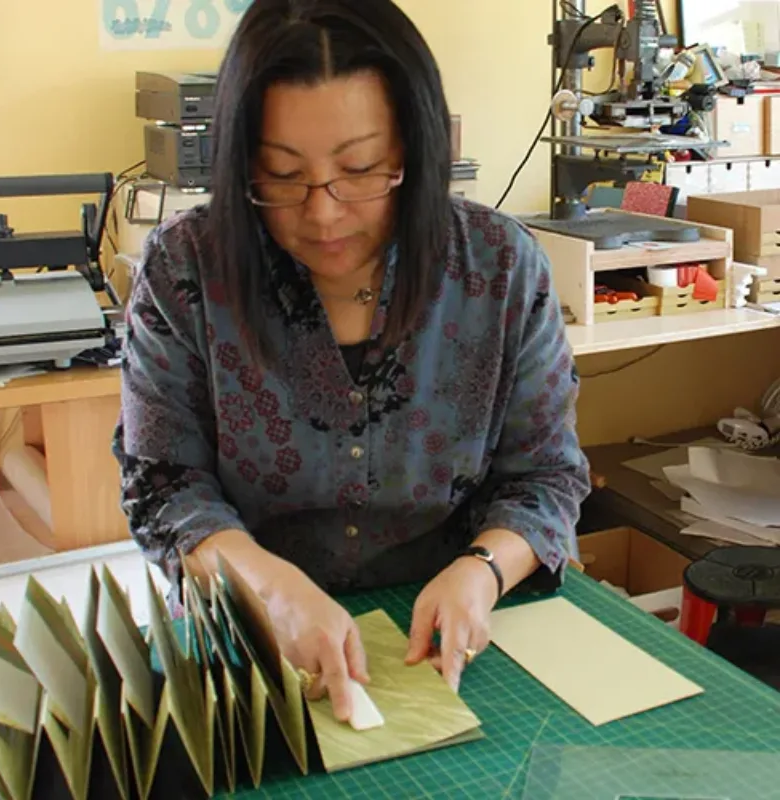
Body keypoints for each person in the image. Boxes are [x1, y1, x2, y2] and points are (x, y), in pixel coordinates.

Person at [113, 0, 590, 722]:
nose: (324, 212)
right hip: (247, 628)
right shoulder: (187, 270)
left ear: (414, 149)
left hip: (459, 639)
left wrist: (483, 571)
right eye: (281, 176)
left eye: (360, 168)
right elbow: (163, 485)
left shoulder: (499, 268)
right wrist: (270, 586)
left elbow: (547, 475)